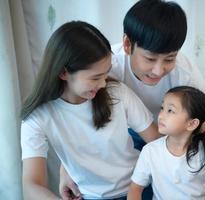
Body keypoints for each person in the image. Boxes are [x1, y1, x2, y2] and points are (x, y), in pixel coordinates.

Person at [60, 0, 205, 199]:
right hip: (120, 137)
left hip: (170, 138)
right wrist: (65, 169)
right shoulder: (107, 67)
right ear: (128, 44)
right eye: (150, 59)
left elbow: (200, 133)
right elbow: (77, 118)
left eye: (170, 59)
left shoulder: (186, 76)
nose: (158, 70)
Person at [21, 21, 159, 200]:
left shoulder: (116, 93)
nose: (103, 84)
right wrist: (64, 172)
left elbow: (156, 141)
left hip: (138, 188)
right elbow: (31, 185)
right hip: (91, 196)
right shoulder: (37, 117)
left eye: (105, 74)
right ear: (63, 73)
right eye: (95, 78)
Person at [127, 86, 205, 200]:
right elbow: (135, 188)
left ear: (192, 124)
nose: (161, 115)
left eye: (170, 110)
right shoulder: (150, 151)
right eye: (162, 108)